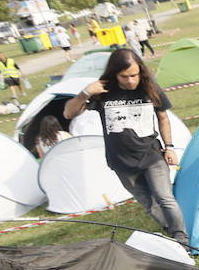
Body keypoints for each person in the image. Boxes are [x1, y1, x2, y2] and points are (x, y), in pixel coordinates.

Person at [63, 48, 188, 246]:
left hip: (152, 156)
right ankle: (172, 233)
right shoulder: (103, 91)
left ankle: (183, 238)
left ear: (141, 71)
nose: (130, 80)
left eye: (134, 75)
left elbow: (163, 117)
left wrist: (169, 147)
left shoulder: (150, 88)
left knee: (165, 198)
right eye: (124, 76)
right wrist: (85, 93)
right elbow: (68, 114)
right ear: (115, 74)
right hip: (120, 161)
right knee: (148, 204)